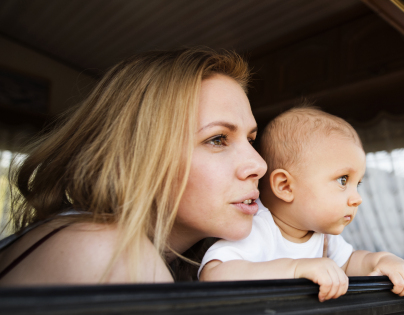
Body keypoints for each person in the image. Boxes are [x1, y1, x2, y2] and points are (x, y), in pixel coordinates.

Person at [0, 48, 267, 286]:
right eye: (217, 139)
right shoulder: (113, 253)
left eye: (251, 139)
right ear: (139, 151)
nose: (259, 164)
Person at [199, 108, 404, 301]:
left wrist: (384, 260)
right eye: (343, 180)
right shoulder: (258, 229)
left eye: (357, 183)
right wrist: (295, 269)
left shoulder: (323, 237)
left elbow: (351, 262)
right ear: (285, 186)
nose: (357, 198)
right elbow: (213, 275)